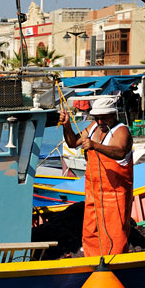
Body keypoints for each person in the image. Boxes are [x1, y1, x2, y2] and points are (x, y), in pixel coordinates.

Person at [58, 95, 134, 257]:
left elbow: (120, 152)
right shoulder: (94, 127)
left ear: (113, 114)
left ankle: (115, 260)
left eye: (103, 118)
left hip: (115, 193)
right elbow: (72, 142)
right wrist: (67, 126)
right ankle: (91, 257)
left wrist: (95, 145)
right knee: (90, 227)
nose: (100, 122)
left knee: (115, 230)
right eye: (97, 118)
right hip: (93, 190)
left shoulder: (122, 131)